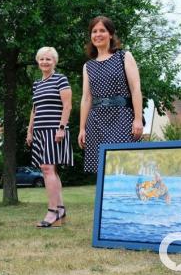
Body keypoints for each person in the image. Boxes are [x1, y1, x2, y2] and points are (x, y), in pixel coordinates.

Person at [78, 16, 143, 175]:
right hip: (96, 121)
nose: (98, 34)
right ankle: (105, 201)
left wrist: (138, 118)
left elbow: (136, 89)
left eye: (102, 30)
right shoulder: (88, 66)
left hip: (122, 117)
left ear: (111, 34)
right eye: (94, 31)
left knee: (123, 166)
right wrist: (82, 128)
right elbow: (86, 99)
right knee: (102, 170)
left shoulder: (124, 56)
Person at [25, 47, 73, 227]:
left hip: (54, 131)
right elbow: (35, 109)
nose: (45, 62)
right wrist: (30, 131)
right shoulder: (37, 84)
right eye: (42, 59)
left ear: (55, 62)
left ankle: (52, 212)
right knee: (49, 170)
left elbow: (67, 105)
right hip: (39, 131)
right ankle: (60, 209)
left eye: (48, 59)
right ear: (38, 62)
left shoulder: (60, 79)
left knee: (47, 168)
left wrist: (62, 128)